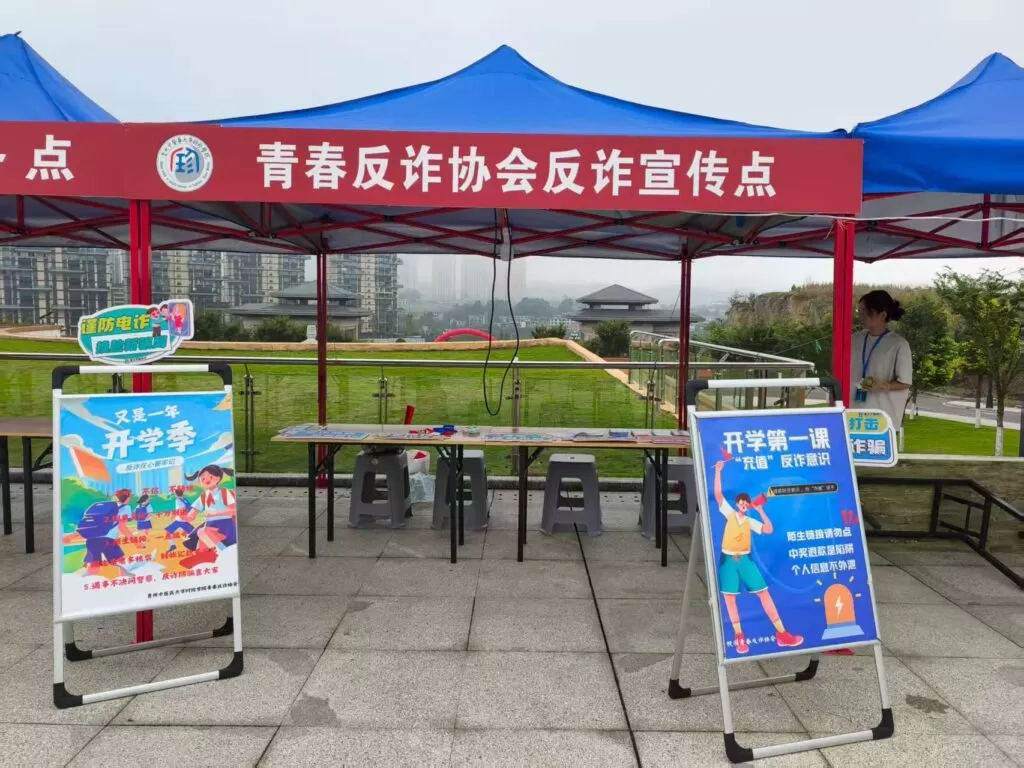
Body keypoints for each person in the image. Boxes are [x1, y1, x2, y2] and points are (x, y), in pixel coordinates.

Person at [714, 460, 803, 654]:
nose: (744, 505)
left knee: (763, 593)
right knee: (730, 598)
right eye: (741, 502)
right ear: (737, 504)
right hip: (728, 560)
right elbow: (718, 495)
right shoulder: (730, 514)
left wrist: (760, 510)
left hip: (745, 560)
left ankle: (782, 633)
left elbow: (769, 529)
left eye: (746, 503)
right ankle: (739, 637)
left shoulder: (750, 521)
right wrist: (719, 471)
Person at [850, 290, 913, 428]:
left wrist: (881, 385)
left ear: (882, 315)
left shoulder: (898, 344)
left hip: (881, 421)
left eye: (865, 312)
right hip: (852, 417)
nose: (860, 316)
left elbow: (905, 382)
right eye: (859, 311)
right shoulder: (854, 340)